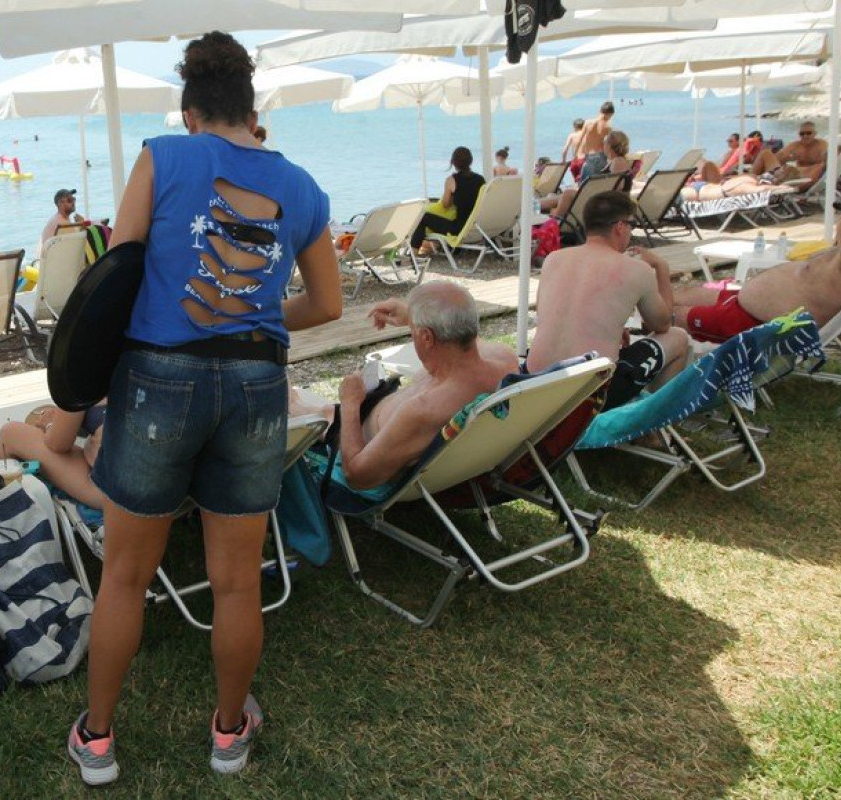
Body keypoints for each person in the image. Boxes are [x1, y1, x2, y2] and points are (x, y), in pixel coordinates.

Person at [66, 31, 342, 786]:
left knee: (125, 577)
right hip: (256, 382)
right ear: (253, 115)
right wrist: (261, 316)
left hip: (159, 377)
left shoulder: (163, 156)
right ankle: (227, 735)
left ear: (190, 114)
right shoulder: (302, 186)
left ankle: (98, 740)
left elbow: (118, 274)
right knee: (238, 581)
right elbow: (327, 304)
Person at [291, 281, 519, 492]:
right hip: (370, 415)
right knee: (316, 409)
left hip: (352, 437)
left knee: (303, 411)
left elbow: (357, 476)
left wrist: (351, 403)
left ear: (427, 337)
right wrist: (413, 315)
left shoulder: (423, 410)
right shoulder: (504, 360)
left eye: (414, 332)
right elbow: (464, 334)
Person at [529, 190, 688, 409]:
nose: (631, 232)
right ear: (620, 227)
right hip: (589, 392)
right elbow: (662, 324)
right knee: (678, 337)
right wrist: (662, 267)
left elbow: (552, 316)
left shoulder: (553, 259)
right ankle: (650, 418)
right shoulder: (636, 269)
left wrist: (612, 329)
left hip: (536, 383)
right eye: (632, 225)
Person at [674, 191, 841, 343]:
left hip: (758, 325)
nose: (840, 221)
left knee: (668, 315)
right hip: (744, 303)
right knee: (676, 295)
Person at [0, 404, 107, 509]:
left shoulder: (78, 389)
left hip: (107, 492)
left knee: (10, 433)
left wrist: (49, 424)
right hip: (114, 475)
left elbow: (58, 445)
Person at [411, 146, 487, 253]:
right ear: (471, 161)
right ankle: (432, 247)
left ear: (453, 162)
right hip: (477, 228)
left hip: (459, 229)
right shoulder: (481, 180)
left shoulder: (451, 180)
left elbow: (445, 205)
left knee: (423, 217)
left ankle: (413, 253)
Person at [542, 130, 631, 220]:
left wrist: (593, 191)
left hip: (607, 204)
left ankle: (553, 216)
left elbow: (618, 186)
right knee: (553, 196)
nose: (603, 146)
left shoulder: (617, 162)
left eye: (604, 143)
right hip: (605, 201)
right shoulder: (619, 161)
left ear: (609, 146)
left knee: (567, 194)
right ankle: (538, 207)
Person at [752, 122, 829, 185]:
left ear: (815, 134)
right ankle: (753, 180)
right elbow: (777, 158)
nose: (805, 136)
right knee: (766, 154)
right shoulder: (795, 146)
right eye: (802, 134)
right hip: (791, 175)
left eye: (808, 133)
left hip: (799, 178)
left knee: (765, 154)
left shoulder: (821, 145)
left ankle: (751, 181)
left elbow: (822, 165)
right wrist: (786, 159)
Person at [574, 102, 616, 182]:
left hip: (589, 156)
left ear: (600, 111)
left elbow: (579, 140)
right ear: (610, 114)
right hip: (601, 156)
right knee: (600, 182)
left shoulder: (587, 122)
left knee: (585, 183)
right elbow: (610, 145)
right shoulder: (608, 127)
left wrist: (575, 154)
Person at [41, 188, 88, 258]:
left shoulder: (56, 219)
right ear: (60, 203)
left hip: (55, 259)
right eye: (70, 200)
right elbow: (79, 246)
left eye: (74, 199)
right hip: (60, 261)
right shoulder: (62, 224)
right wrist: (82, 225)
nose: (73, 203)